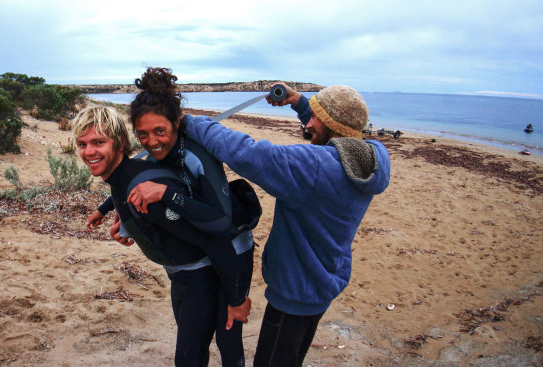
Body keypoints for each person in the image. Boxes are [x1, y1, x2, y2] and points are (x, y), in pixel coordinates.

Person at [181, 83, 391, 366]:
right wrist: (301, 104)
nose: (309, 123)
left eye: (316, 117)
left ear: (331, 124)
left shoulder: (314, 167)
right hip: (323, 283)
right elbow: (332, 136)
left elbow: (248, 154)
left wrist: (192, 124)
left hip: (295, 292)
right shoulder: (371, 159)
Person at [87, 68, 257, 367]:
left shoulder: (196, 155)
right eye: (142, 134)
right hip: (208, 252)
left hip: (232, 246)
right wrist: (107, 209)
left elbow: (219, 224)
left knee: (228, 334)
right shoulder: (156, 153)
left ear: (176, 123)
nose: (152, 142)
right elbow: (128, 179)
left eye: (159, 131)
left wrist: (166, 195)